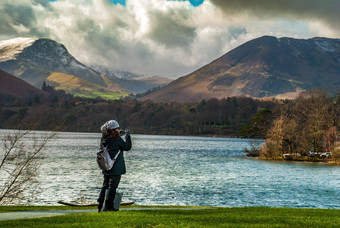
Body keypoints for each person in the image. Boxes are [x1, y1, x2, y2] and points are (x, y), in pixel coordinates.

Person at [97, 120, 132, 212]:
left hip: (106, 166)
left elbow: (113, 144)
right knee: (112, 187)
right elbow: (127, 147)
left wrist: (119, 135)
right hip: (116, 168)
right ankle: (109, 206)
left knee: (105, 186)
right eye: (116, 129)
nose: (118, 130)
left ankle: (100, 205)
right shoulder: (116, 140)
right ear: (113, 130)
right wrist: (128, 136)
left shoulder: (104, 138)